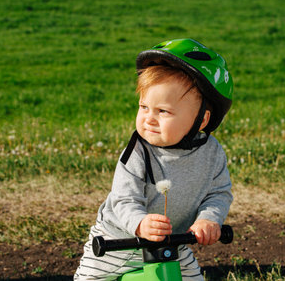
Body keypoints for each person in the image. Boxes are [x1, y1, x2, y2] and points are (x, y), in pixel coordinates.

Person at [74, 38, 234, 280]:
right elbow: (124, 198)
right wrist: (140, 223)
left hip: (172, 245)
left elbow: (218, 193)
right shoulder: (138, 151)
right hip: (118, 244)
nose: (149, 118)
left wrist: (209, 219)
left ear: (201, 120)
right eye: (144, 107)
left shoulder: (211, 152)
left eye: (163, 111)